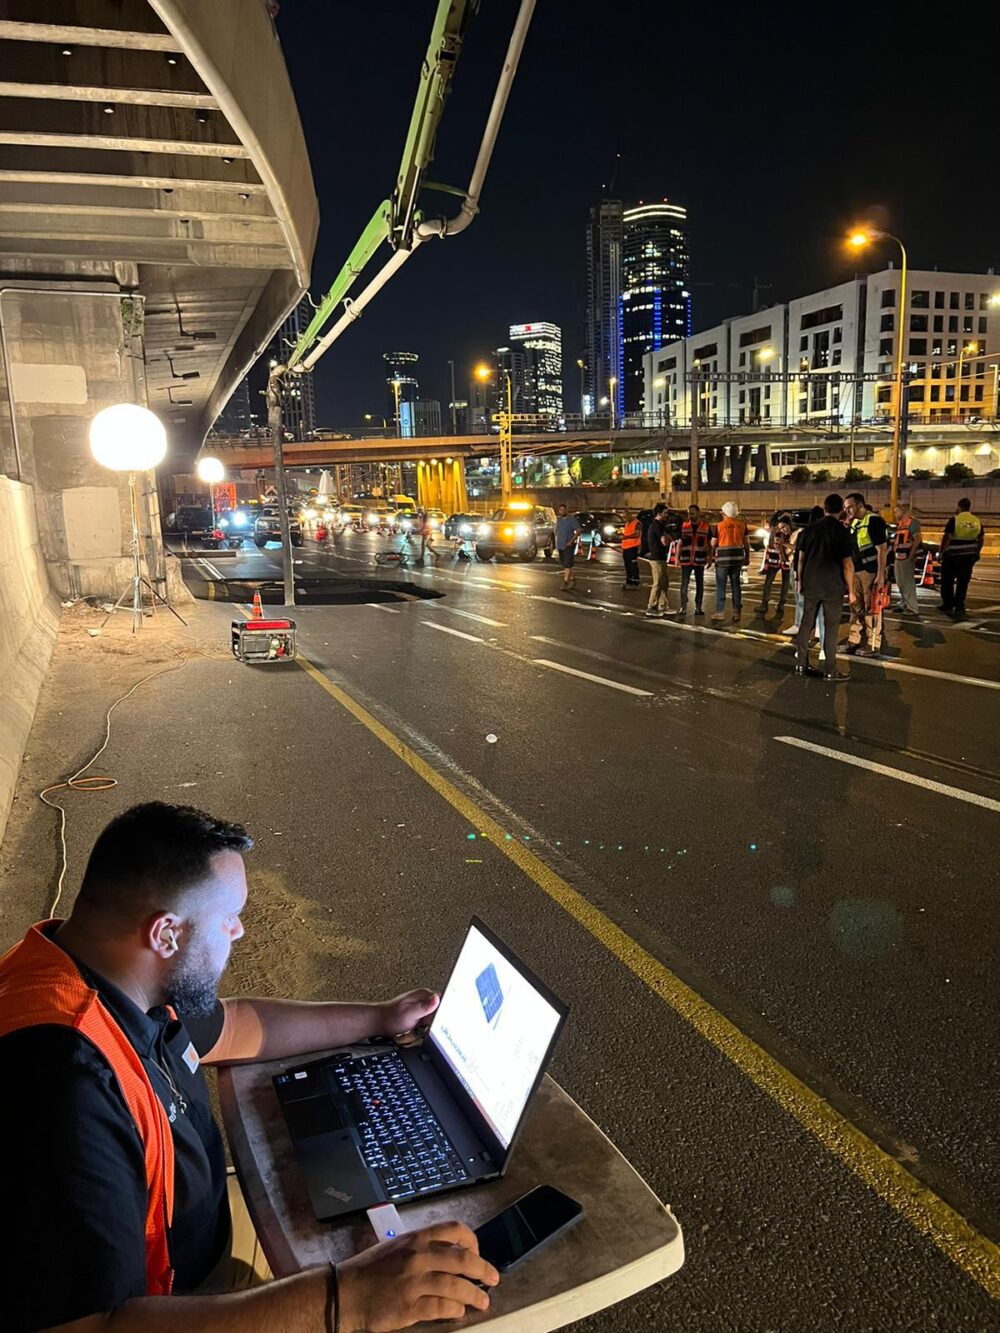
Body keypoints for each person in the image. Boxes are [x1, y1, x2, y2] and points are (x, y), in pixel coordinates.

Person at [0, 804, 499, 1332]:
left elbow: (235, 1025)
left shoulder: (107, 973)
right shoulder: (63, 1084)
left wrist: (378, 1018)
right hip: (169, 1305)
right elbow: (91, 1326)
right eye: (228, 917)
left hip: (193, 1277)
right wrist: (348, 1298)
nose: (238, 931)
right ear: (165, 934)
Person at [794, 492, 854, 680]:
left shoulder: (808, 530)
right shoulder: (842, 531)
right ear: (841, 510)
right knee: (831, 628)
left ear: (825, 508)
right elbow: (847, 564)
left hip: (811, 583)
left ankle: (801, 664)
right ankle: (830, 669)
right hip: (833, 586)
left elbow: (801, 560)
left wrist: (800, 580)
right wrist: (851, 590)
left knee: (806, 624)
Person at [844, 491, 888, 657]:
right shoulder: (854, 523)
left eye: (849, 507)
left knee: (872, 609)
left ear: (860, 505)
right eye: (845, 508)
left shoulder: (874, 521)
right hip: (855, 571)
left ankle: (873, 644)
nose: (847, 511)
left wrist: (880, 575)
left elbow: (881, 549)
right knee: (855, 606)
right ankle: (853, 640)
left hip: (870, 572)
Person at [939, 497, 984, 619]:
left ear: (959, 507)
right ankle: (959, 607)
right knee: (962, 583)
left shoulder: (955, 519)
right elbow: (981, 539)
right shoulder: (976, 521)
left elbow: (947, 537)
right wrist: (977, 553)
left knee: (947, 581)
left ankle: (948, 605)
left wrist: (941, 552)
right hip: (968, 558)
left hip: (952, 557)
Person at [710, 501, 750, 624]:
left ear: (724, 513)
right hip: (737, 559)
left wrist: (711, 556)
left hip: (722, 560)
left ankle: (720, 612)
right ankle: (736, 612)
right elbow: (746, 543)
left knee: (721, 586)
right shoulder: (742, 525)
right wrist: (747, 557)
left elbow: (713, 543)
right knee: (736, 585)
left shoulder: (719, 526)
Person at [677, 503, 711, 616]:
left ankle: (698, 607)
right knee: (684, 585)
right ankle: (683, 607)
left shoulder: (706, 527)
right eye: (689, 513)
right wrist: (677, 558)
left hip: (699, 561)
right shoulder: (684, 526)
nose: (690, 515)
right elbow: (680, 543)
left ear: (698, 513)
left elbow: (709, 544)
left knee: (699, 585)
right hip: (686, 560)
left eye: (692, 513)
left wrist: (709, 558)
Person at [758, 512, 792, 618]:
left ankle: (765, 604)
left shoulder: (776, 529)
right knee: (785, 582)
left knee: (769, 581)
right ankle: (781, 604)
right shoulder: (790, 530)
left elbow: (774, 544)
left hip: (777, 558)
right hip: (786, 558)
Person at [891, 500, 922, 617]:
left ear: (903, 511)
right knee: (900, 582)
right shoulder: (901, 524)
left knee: (908, 583)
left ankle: (912, 608)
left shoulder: (912, 523)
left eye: (896, 511)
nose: (895, 514)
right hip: (899, 557)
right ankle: (904, 602)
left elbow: (918, 539)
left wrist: (912, 554)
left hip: (907, 557)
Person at [643, 501, 671, 617]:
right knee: (658, 582)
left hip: (662, 558)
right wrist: (669, 539)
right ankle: (651, 606)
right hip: (657, 558)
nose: (667, 515)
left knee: (664, 582)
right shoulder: (656, 525)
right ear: (659, 514)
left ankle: (662, 605)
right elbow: (664, 541)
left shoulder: (660, 525)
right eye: (665, 513)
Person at [554, 504, 582, 590]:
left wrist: (571, 541)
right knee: (565, 564)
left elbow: (578, 531)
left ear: (566, 510)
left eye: (563, 509)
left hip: (568, 545)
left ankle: (565, 582)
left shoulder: (571, 520)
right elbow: (556, 532)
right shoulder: (559, 520)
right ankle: (572, 579)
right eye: (560, 510)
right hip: (560, 545)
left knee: (568, 563)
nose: (562, 511)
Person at [620, 510, 642, 588]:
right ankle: (629, 581)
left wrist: (626, 537)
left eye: (625, 517)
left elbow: (637, 534)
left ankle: (635, 582)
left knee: (633, 566)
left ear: (629, 515)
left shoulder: (636, 523)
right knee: (628, 566)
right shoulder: (627, 523)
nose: (624, 519)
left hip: (632, 547)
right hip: (626, 547)